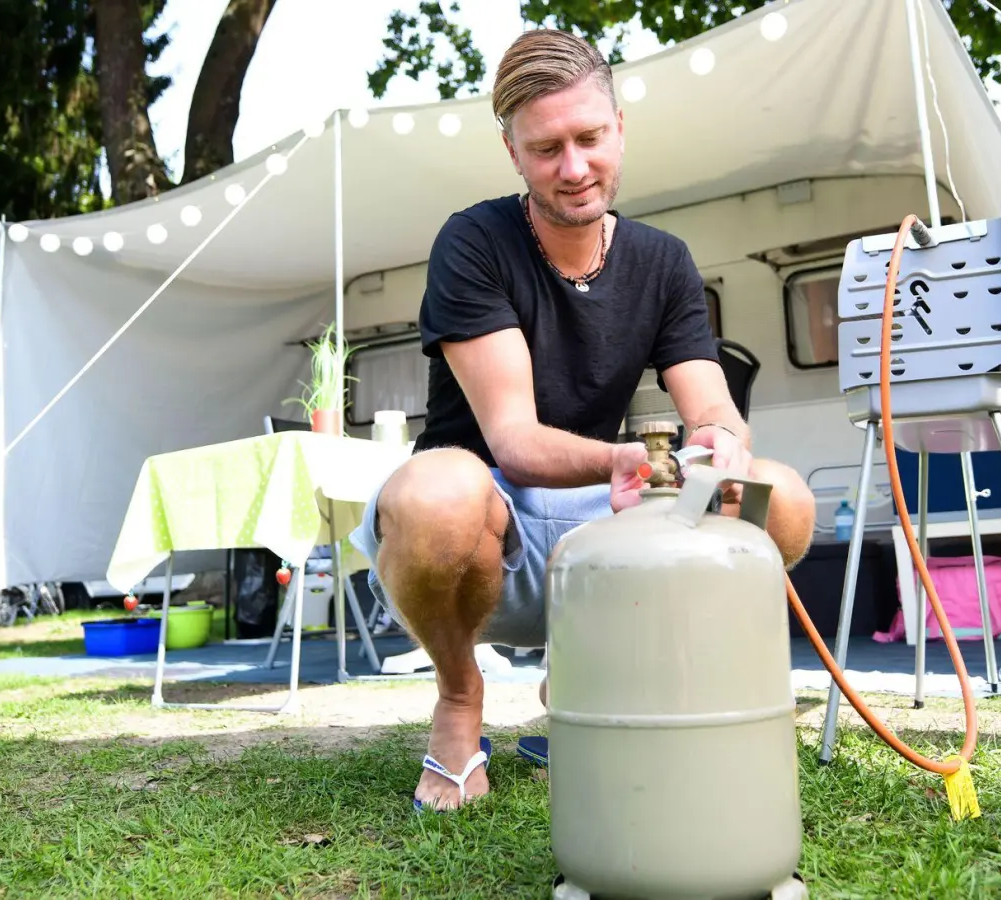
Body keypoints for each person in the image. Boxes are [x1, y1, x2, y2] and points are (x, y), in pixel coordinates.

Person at [349, 29, 816, 811]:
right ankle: (461, 702)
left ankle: (588, 680)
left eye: (590, 138)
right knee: (434, 494)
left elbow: (713, 408)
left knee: (782, 500)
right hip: (485, 527)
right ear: (512, 153)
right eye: (546, 149)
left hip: (606, 518)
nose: (573, 169)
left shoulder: (662, 260)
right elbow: (517, 443)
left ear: (620, 128)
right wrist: (626, 461)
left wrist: (722, 448)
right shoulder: (475, 242)